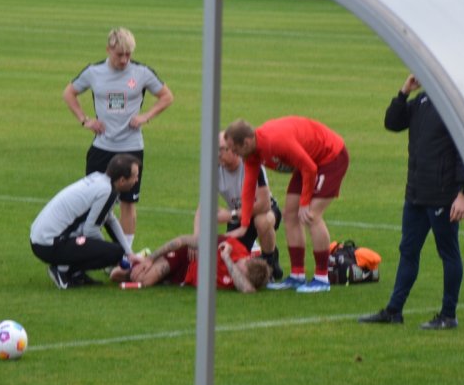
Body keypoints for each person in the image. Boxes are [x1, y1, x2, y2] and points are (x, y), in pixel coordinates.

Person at [359, 74, 464, 330]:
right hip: (416, 195)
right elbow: (392, 122)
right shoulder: (422, 101)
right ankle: (394, 311)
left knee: (448, 253)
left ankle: (448, 315)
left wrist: (463, 193)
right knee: (408, 251)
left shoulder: (452, 109)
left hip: (442, 195)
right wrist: (403, 92)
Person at [62, 27, 173, 249]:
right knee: (93, 201)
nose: (124, 60)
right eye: (119, 54)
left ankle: (126, 252)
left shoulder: (142, 73)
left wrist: (145, 117)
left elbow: (166, 96)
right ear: (108, 50)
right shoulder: (94, 72)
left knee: (128, 202)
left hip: (130, 147)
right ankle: (94, 249)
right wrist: (85, 120)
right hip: (102, 147)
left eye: (128, 55)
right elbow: (69, 93)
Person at [224, 116, 349, 293]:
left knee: (311, 215)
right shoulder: (251, 153)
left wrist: (305, 203)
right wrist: (244, 224)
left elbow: (310, 168)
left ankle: (322, 278)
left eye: (236, 150)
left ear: (246, 142)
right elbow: (249, 187)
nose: (235, 154)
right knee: (290, 214)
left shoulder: (274, 142)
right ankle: (297, 275)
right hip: (308, 162)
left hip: (330, 156)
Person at [30, 153, 142, 290]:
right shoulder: (107, 191)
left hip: (41, 240)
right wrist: (111, 252)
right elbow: (90, 230)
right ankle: (62, 271)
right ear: (122, 180)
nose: (136, 180)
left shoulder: (100, 179)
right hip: (50, 244)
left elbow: (110, 220)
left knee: (115, 251)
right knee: (113, 252)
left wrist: (129, 253)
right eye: (135, 176)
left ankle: (76, 273)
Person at [193, 131, 282, 280]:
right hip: (239, 217)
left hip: (264, 210)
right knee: (229, 255)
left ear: (234, 150)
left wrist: (230, 215)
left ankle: (269, 263)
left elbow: (264, 204)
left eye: (222, 149)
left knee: (262, 221)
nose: (218, 154)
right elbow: (203, 206)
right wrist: (195, 237)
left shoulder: (252, 165)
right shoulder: (213, 169)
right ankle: (265, 253)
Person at [109, 234, 271, 293]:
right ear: (249, 259)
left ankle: (138, 266)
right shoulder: (233, 246)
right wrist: (152, 258)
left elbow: (248, 290)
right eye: (241, 266)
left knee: (143, 282)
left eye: (240, 273)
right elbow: (183, 240)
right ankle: (144, 258)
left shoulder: (239, 279)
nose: (236, 269)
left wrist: (227, 259)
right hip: (185, 258)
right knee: (143, 280)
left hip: (184, 279)